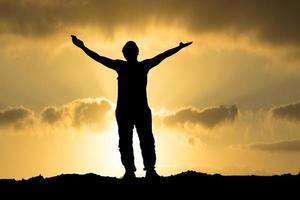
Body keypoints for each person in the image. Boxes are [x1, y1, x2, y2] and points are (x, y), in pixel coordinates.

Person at [71, 35, 192, 179]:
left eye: (130, 51)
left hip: (136, 110)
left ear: (133, 53)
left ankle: (146, 170)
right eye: (128, 51)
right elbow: (99, 58)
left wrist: (178, 48)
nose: (129, 54)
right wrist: (82, 47)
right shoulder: (130, 66)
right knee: (129, 141)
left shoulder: (133, 66)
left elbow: (163, 55)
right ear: (130, 53)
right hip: (127, 111)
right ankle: (133, 171)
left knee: (142, 140)